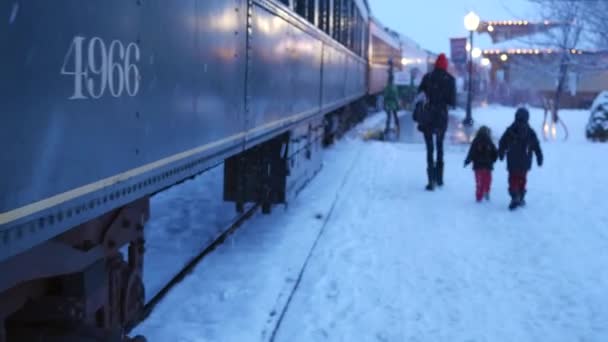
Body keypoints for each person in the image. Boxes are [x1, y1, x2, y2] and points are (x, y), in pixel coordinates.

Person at [416, 53, 456, 190]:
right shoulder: (450, 79)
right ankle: (440, 178)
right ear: (445, 66)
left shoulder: (428, 77)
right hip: (441, 117)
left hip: (428, 116)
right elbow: (452, 102)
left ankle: (431, 180)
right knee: (440, 146)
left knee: (429, 148)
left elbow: (419, 93)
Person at [498, 107, 544, 210]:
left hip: (512, 161)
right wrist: (539, 157)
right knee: (522, 179)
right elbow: (536, 146)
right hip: (525, 162)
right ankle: (520, 196)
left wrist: (501, 153)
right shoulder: (530, 132)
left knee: (513, 179)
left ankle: (515, 196)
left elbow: (502, 142)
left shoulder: (510, 130)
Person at [464, 126, 498, 202]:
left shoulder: (476, 141)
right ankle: (486, 191)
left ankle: (479, 196)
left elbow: (471, 153)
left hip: (478, 166)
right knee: (487, 180)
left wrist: (467, 161)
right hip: (488, 165)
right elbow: (495, 152)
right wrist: (493, 159)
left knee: (479, 182)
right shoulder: (489, 141)